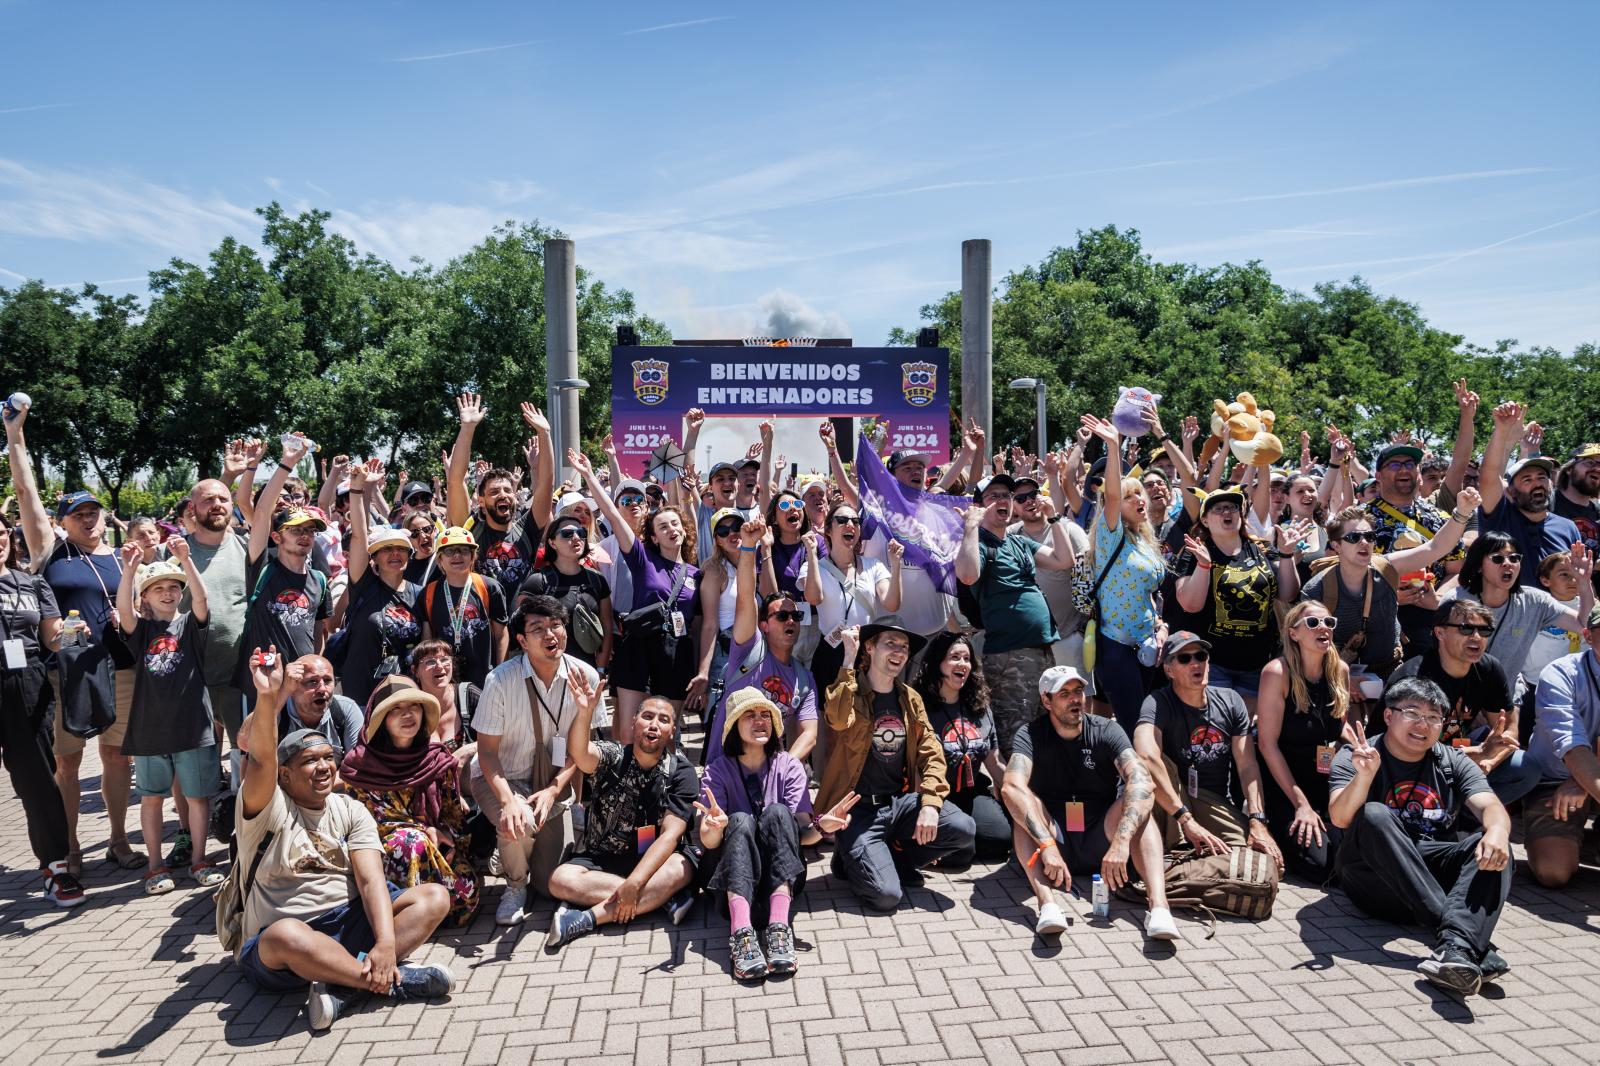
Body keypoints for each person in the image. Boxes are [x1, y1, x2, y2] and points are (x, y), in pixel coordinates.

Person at [232, 647, 455, 1032]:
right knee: (286, 935)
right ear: (284, 776)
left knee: (435, 897)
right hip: (288, 937)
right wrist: (269, 697)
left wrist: (385, 942)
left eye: (327, 758)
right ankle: (386, 981)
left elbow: (370, 881)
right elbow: (261, 758)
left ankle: (347, 987)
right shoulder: (265, 810)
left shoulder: (349, 808)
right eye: (308, 761)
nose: (322, 768)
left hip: (349, 921)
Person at [7, 404, 143, 874]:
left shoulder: (120, 555)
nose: (87, 520)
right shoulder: (51, 550)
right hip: (63, 672)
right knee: (67, 763)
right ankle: (69, 846)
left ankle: (119, 840)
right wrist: (15, 434)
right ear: (62, 521)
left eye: (93, 512)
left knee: (117, 758)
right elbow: (25, 490)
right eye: (77, 514)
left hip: (118, 667)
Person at [1328, 677, 1513, 996]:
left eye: (1433, 717)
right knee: (1374, 814)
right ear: (1388, 715)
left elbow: (1491, 806)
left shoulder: (1450, 760)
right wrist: (1364, 777)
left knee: (1495, 842)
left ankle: (1455, 951)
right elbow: (1340, 817)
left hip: (1429, 874)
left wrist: (1496, 831)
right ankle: (1465, 943)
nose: (1422, 724)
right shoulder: (1357, 755)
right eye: (1412, 713)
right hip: (1375, 880)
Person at [1001, 665, 1177, 940]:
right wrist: (1047, 845)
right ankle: (1047, 905)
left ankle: (1159, 908)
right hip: (1053, 840)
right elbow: (1011, 786)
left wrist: (1120, 842)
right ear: (1046, 701)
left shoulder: (1106, 730)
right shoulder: (1031, 734)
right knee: (1022, 804)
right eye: (1064, 694)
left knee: (1140, 804)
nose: (1075, 699)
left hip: (1102, 835)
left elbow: (1142, 780)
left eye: (1079, 691)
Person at [814, 619, 977, 911]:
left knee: (961, 827)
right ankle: (851, 860)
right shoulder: (850, 691)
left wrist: (929, 803)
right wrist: (848, 658)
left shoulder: (909, 698)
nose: (899, 652)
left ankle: (893, 861)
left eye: (904, 647)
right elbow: (837, 718)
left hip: (898, 803)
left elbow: (932, 753)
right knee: (886, 896)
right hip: (857, 810)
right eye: (891, 643)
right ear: (870, 647)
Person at [470, 595, 594, 926]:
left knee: (551, 882)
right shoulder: (500, 680)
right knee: (518, 822)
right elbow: (486, 753)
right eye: (537, 629)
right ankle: (513, 884)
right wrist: (508, 801)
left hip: (550, 782)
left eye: (556, 625)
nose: (550, 634)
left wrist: (555, 789)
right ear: (522, 641)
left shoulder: (585, 676)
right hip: (500, 778)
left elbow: (580, 749)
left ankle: (513, 853)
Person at [545, 687, 699, 950]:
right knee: (559, 880)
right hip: (604, 857)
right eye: (647, 716)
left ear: (672, 731)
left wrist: (636, 882)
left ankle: (586, 919)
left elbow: (671, 836)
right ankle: (661, 899)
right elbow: (581, 754)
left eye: (664, 720)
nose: (654, 724)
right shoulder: (614, 755)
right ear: (633, 722)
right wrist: (585, 713)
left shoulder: (681, 771)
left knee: (680, 868)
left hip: (656, 859)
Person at [116, 540, 224, 893]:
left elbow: (204, 600)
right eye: (157, 588)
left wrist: (186, 561)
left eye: (173, 587)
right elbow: (125, 613)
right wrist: (130, 569)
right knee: (151, 799)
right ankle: (154, 866)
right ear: (145, 596)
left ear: (182, 593)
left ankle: (198, 859)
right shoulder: (142, 630)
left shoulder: (192, 625)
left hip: (193, 728)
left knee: (197, 797)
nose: (166, 593)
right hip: (149, 731)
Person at [571, 448, 699, 742]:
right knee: (630, 732)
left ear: (684, 531)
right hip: (637, 650)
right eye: (662, 526)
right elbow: (614, 516)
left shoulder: (696, 574)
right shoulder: (642, 559)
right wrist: (590, 475)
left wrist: (701, 671)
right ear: (652, 536)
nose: (670, 530)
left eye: (675, 525)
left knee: (666, 734)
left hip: (675, 655)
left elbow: (701, 625)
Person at [1134, 631, 1284, 868]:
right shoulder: (1157, 702)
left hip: (1212, 799)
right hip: (1173, 803)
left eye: (1201, 656)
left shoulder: (1231, 701)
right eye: (1184, 658)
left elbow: (1247, 766)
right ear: (1169, 670)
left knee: (1261, 862)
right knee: (1158, 760)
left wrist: (1257, 819)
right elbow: (1144, 754)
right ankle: (1177, 852)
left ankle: (1189, 864)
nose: (1196, 663)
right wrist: (1185, 818)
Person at [339, 675, 479, 926]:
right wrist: (425, 831)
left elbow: (453, 817)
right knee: (410, 843)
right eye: (396, 709)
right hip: (382, 854)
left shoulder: (436, 759)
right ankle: (405, 916)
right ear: (381, 720)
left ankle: (425, 912)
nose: (408, 715)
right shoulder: (361, 766)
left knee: (466, 891)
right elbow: (374, 821)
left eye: (414, 707)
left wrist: (445, 837)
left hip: (434, 849)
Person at [955, 471, 1076, 755]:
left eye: (1007, 496)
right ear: (980, 505)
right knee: (1015, 738)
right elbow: (968, 575)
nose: (1004, 501)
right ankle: (1014, 795)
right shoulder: (980, 542)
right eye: (994, 496)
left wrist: (1055, 518)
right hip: (1009, 655)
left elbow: (1063, 560)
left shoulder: (1019, 541)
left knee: (1043, 731)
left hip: (1039, 650)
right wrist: (970, 527)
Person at [698, 688, 812, 980]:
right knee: (738, 820)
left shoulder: (789, 765)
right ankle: (741, 934)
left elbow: (801, 833)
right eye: (749, 715)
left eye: (765, 715)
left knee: (777, 813)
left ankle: (778, 928)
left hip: (779, 879)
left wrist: (822, 829)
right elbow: (707, 842)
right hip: (733, 884)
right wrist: (715, 828)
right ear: (734, 725)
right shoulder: (717, 770)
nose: (759, 720)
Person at [1301, 494, 1477, 680]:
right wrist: (1344, 679)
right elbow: (1308, 649)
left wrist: (1462, 513)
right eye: (1354, 537)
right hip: (1333, 676)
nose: (1364, 542)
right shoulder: (1316, 589)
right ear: (1336, 545)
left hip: (1388, 672)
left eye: (1369, 537)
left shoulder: (1386, 568)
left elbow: (1436, 548)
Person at [0, 512, 81, 905]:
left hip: (26, 683)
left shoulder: (32, 583)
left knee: (38, 779)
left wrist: (70, 633)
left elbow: (52, 640)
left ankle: (55, 869)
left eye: (0, 533)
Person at [1386, 601, 1535, 803]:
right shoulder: (1415, 678)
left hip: (1460, 755)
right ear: (1440, 633)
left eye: (1484, 631)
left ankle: (1463, 822)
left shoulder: (1489, 668)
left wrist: (1489, 760)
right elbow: (1408, 749)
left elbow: (1508, 728)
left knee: (1526, 767)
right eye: (1466, 629)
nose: (1476, 637)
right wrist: (1476, 754)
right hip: (1406, 763)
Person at [1174, 485, 1305, 711]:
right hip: (1213, 663)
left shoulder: (1261, 548)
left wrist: (1286, 555)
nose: (1227, 512)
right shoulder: (1194, 552)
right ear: (1205, 520)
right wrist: (1204, 566)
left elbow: (1288, 594)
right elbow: (1190, 605)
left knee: (1247, 732)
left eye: (1233, 507)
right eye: (1218, 508)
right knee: (1218, 729)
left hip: (1257, 662)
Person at [1076, 415, 1167, 735]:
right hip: (1115, 646)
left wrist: (1160, 624)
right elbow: (1111, 495)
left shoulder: (1145, 539)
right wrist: (1114, 447)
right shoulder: (1109, 533)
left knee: (1149, 726)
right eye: (1130, 496)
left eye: (1139, 493)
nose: (1138, 499)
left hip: (1147, 648)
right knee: (1136, 728)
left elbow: (1153, 593)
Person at [703, 518, 818, 766]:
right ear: (763, 625)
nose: (791, 621)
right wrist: (748, 546)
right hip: (725, 770)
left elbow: (809, 733)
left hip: (768, 776)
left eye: (796, 616)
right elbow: (746, 595)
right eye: (782, 616)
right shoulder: (748, 647)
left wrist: (784, 765)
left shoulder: (804, 679)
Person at [1255, 601, 1356, 882]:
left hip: (1324, 776)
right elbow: (1267, 745)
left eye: (1329, 623)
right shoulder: (1277, 672)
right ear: (1293, 633)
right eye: (1313, 623)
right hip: (1284, 780)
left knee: (1348, 854)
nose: (1323, 628)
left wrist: (1357, 745)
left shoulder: (1341, 671)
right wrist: (1301, 804)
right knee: (1320, 865)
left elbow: (1340, 724)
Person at [233, 435, 331, 706]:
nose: (305, 536)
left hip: (305, 687)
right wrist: (287, 462)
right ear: (276, 538)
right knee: (262, 749)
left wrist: (315, 670)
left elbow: (319, 632)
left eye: (310, 531)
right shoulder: (262, 566)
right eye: (296, 530)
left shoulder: (319, 580)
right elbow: (262, 513)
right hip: (264, 682)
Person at [1446, 532, 1592, 695]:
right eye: (1498, 558)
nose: (1508, 564)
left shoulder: (1535, 601)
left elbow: (1583, 625)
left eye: (1514, 558)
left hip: (1505, 699)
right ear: (1479, 565)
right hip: (1458, 697)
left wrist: (1583, 581)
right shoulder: (1456, 600)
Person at [1364, 441, 1469, 656]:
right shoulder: (1358, 520)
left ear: (1418, 473)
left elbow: (1457, 570)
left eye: (1410, 464)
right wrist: (1388, 596)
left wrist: (1437, 599)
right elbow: (1340, 572)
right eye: (1394, 465)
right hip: (1375, 621)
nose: (1403, 469)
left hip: (1430, 624)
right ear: (1378, 476)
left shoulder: (1442, 519)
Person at [914, 632, 1010, 864]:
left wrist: (1023, 796)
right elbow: (915, 768)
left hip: (969, 790)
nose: (963, 664)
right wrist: (923, 809)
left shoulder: (979, 704)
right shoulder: (919, 704)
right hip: (933, 794)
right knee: (960, 855)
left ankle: (962, 839)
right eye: (954, 657)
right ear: (938, 663)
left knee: (1000, 842)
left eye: (967, 659)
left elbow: (994, 761)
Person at [336, 459, 422, 708]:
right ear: (373, 557)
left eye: (400, 549)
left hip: (403, 697)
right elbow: (360, 534)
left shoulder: (419, 594)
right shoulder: (363, 584)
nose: (395, 554)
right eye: (386, 549)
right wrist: (358, 490)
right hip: (361, 698)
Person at [445, 394, 554, 591]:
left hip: (522, 620)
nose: (503, 494)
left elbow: (546, 484)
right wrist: (467, 429)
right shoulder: (470, 531)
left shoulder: (527, 529)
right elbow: (455, 481)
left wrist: (545, 434)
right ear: (481, 501)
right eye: (494, 492)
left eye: (507, 490)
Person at [1525, 605, 1600, 887]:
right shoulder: (1560, 674)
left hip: (1586, 778)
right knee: (1553, 872)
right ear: (1588, 636)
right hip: (1555, 781)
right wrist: (1580, 778)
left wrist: (1581, 782)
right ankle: (1580, 843)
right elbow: (1573, 748)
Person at [800, 501, 901, 702]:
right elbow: (813, 597)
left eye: (855, 521)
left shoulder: (874, 565)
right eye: (842, 520)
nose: (850, 525)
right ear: (828, 530)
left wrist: (896, 565)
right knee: (829, 714)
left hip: (867, 653)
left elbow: (892, 604)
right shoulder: (812, 566)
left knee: (866, 715)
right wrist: (811, 555)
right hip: (831, 651)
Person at [182, 473, 252, 749]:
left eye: (223, 498)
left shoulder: (246, 547)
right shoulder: (172, 552)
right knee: (196, 762)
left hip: (237, 673)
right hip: (190, 675)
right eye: (208, 499)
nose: (217, 504)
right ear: (192, 509)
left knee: (243, 751)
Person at [1478, 402, 1580, 585]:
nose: (1537, 484)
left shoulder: (1568, 527)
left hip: (1561, 612)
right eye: (1527, 480)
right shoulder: (1499, 517)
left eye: (1541, 477)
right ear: (1510, 491)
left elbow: (1579, 578)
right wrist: (1502, 432)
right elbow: (1488, 477)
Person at [1012, 466, 1092, 672]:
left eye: (1033, 494)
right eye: (1020, 499)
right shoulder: (1009, 536)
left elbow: (1091, 577)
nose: (1029, 501)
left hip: (1069, 638)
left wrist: (1083, 630)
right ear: (1014, 507)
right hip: (1028, 643)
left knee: (1078, 701)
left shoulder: (1069, 529)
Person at [518, 513, 614, 672]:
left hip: (586, 672)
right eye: (567, 534)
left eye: (581, 533)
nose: (576, 537)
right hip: (546, 673)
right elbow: (523, 629)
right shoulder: (538, 581)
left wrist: (601, 669)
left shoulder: (597, 580)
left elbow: (607, 627)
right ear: (552, 543)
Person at [417, 526, 509, 688]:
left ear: (473, 556)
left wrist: (503, 672)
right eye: (449, 551)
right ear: (439, 559)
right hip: (445, 680)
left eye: (464, 550)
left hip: (486, 679)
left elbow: (501, 635)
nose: (457, 555)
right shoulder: (429, 593)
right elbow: (427, 640)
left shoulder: (489, 587)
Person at [691, 507, 755, 723]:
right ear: (717, 540)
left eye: (737, 527)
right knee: (723, 719)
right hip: (727, 651)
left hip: (754, 647)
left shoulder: (754, 561)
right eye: (723, 531)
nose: (732, 534)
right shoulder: (714, 570)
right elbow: (710, 624)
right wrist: (704, 672)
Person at [272, 655, 364, 760]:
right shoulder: (278, 709)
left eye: (327, 680)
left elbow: (357, 765)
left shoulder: (346, 709)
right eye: (312, 682)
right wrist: (283, 691)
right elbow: (249, 741)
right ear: (292, 688)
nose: (322, 689)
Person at [409, 640, 478, 759]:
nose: (439, 666)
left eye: (445, 660)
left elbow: (500, 736)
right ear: (415, 671)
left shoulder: (469, 694)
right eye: (430, 662)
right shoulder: (409, 706)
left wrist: (466, 752)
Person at [1554, 443, 1599, 558]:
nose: (1598, 468)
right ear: (1570, 469)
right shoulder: (1546, 503)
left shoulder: (1598, 513)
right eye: (1590, 462)